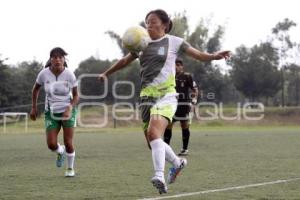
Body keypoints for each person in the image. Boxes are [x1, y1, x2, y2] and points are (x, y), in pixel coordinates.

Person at [98, 9, 230, 194]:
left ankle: (159, 175)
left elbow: (198, 55)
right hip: (146, 97)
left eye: (153, 22)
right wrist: (106, 73)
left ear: (165, 24)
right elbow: (124, 61)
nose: (148, 25)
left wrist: (214, 56)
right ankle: (177, 163)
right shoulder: (141, 43)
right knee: (152, 141)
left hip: (166, 95)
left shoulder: (174, 42)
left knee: (154, 133)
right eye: (146, 22)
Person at [30, 47, 79, 177]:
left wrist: (69, 108)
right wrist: (34, 108)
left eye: (60, 57)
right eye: (54, 57)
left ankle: (70, 169)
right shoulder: (43, 74)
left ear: (64, 60)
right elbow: (35, 90)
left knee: (68, 142)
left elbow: (76, 96)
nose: (57, 60)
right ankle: (59, 151)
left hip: (67, 111)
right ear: (50, 59)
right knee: (51, 144)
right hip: (51, 112)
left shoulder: (69, 74)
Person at [163, 58, 198, 156]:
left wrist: (194, 102)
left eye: (179, 65)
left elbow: (195, 89)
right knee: (168, 125)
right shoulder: (169, 76)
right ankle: (166, 149)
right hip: (171, 105)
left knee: (185, 126)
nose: (177, 66)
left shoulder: (187, 76)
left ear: (182, 66)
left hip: (184, 105)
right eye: (175, 65)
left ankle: (185, 149)